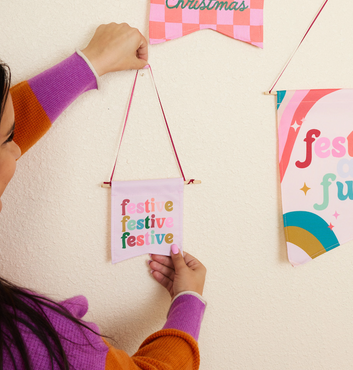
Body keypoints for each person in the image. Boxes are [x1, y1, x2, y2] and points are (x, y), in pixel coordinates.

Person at [0, 23, 206, 369]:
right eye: (8, 140)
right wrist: (189, 302)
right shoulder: (30, 343)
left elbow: (15, 116)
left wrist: (90, 62)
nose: (16, 152)